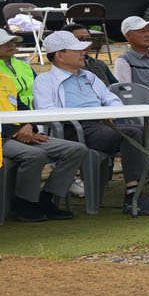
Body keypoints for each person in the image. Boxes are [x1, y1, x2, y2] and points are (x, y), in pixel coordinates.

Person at [32, 30, 149, 215]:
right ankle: (133, 195)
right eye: (77, 50)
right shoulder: (45, 80)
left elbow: (112, 99)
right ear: (59, 55)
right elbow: (46, 111)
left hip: (104, 125)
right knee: (131, 134)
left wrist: (110, 113)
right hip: (73, 128)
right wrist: (90, 114)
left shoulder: (89, 76)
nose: (83, 52)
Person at [3, 28, 91, 222]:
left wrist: (28, 125)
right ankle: (24, 203)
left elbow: (21, 104)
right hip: (5, 136)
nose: (11, 45)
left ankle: (46, 198)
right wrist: (16, 131)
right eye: (4, 42)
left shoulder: (9, 76)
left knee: (76, 149)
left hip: (22, 129)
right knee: (35, 155)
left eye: (12, 41)